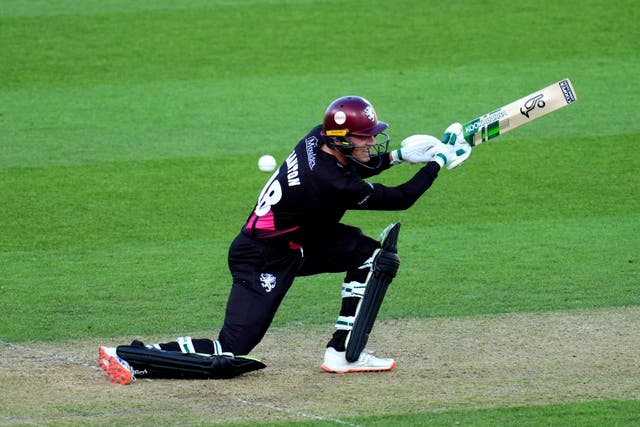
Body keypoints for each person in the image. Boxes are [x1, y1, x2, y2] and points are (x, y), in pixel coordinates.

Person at [98, 95, 471, 384]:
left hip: (299, 243)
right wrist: (438, 162)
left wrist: (399, 155)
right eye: (365, 138)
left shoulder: (317, 138)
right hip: (260, 258)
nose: (371, 142)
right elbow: (400, 199)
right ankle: (134, 355)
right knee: (232, 348)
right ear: (340, 140)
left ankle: (343, 354)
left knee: (370, 257)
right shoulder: (329, 183)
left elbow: (356, 164)